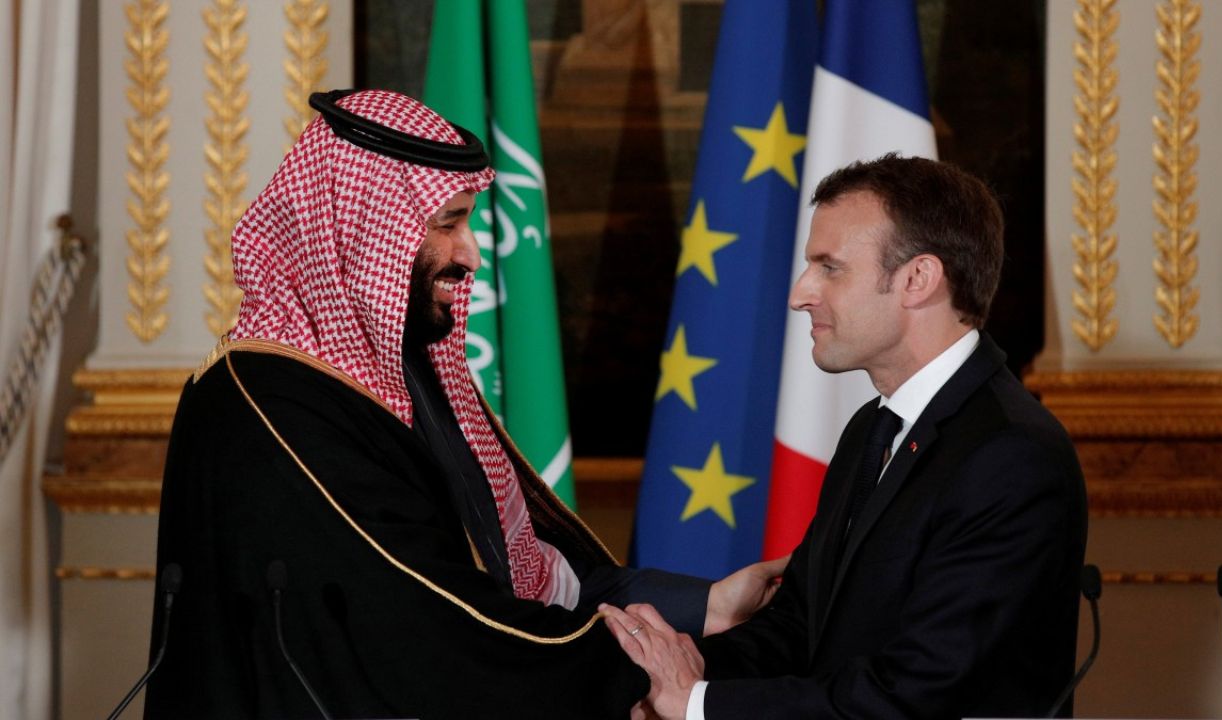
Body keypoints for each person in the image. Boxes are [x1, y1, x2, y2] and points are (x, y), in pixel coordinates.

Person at [142, 89, 783, 720]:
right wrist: (633, 673)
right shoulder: (265, 403)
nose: (470, 253)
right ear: (365, 229)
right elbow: (426, 623)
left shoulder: (406, 373)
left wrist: (709, 606)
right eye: (447, 224)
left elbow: (525, 573)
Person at [600, 154, 1088, 719]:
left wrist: (696, 703)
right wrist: (664, 678)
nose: (800, 293)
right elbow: (798, 629)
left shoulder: (1011, 456)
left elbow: (919, 693)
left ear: (917, 279)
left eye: (830, 268)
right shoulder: (872, 428)